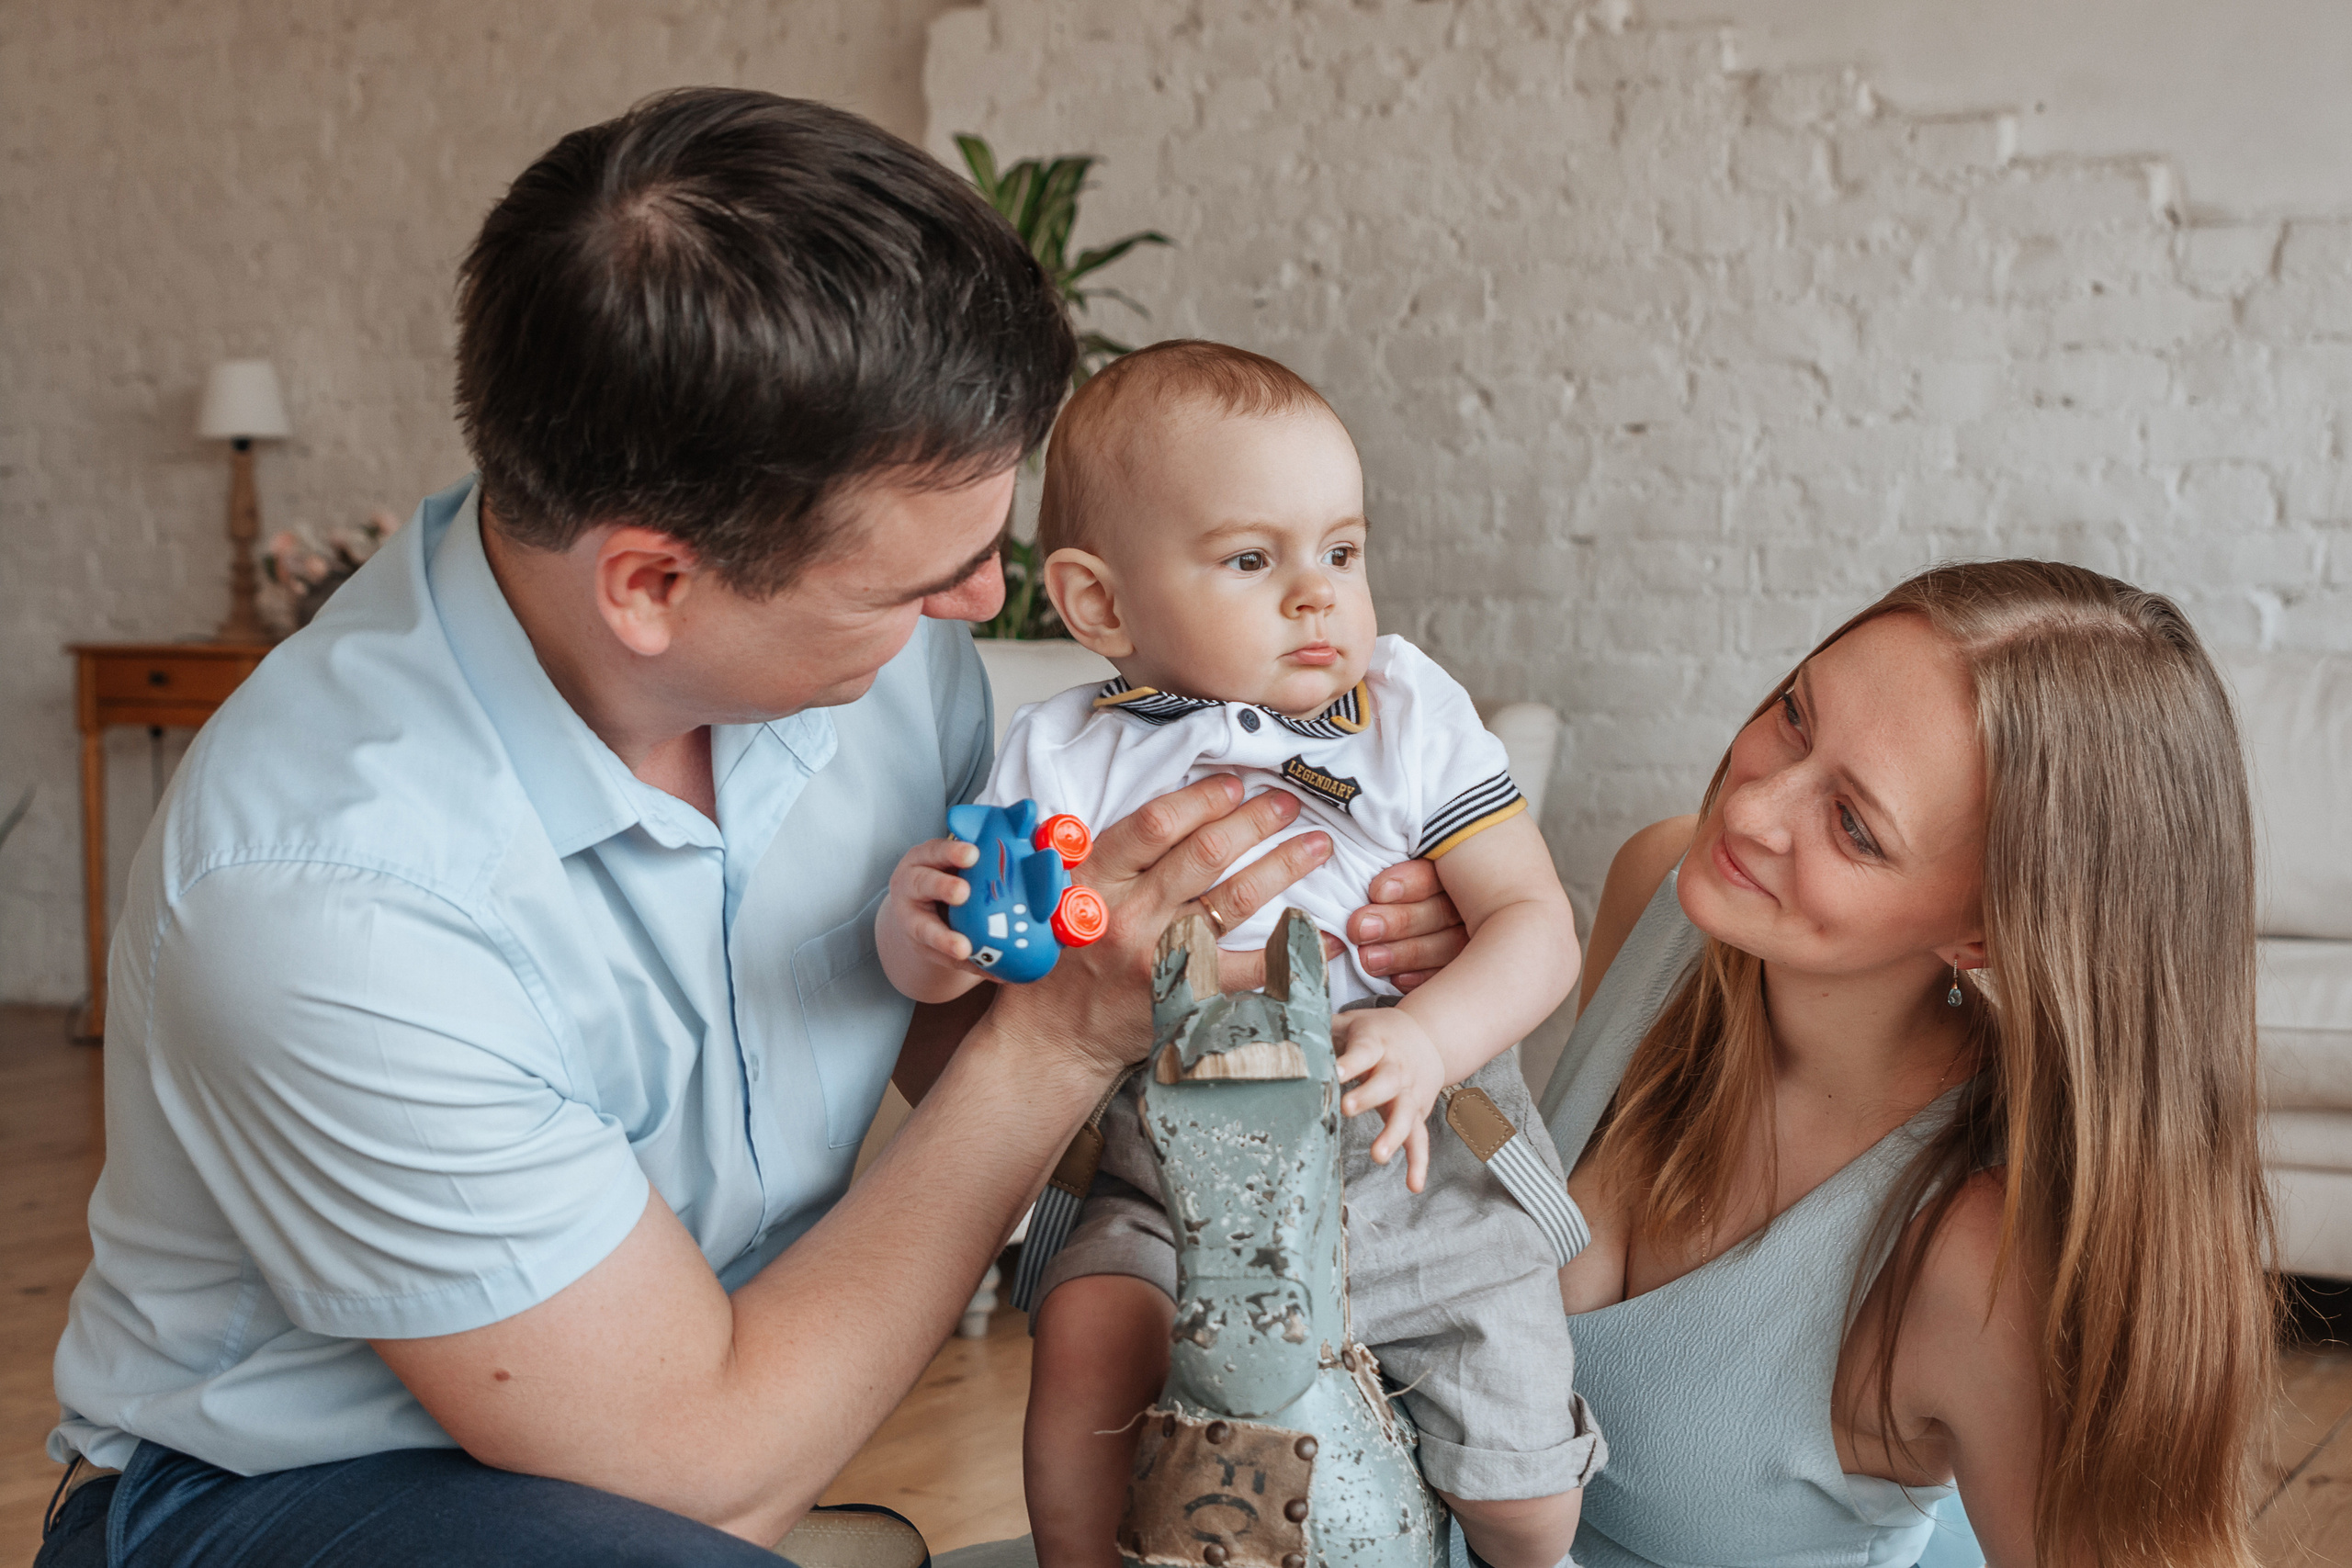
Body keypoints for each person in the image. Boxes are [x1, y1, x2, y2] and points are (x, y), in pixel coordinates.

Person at [37, 92, 1473, 1568]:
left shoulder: (885, 668)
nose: (983, 608)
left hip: (692, 1433)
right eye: (920, 581)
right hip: (284, 1489)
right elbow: (689, 1470)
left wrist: (1304, 957)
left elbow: (964, 1036)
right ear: (651, 585)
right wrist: (1057, 1041)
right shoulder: (331, 895)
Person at [876, 342, 1598, 1568]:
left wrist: (1429, 1034)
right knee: (1093, 1326)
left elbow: (1538, 926)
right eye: (1255, 559)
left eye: (1344, 550)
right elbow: (978, 965)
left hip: (1408, 1155)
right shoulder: (1061, 759)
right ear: (1100, 605)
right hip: (1165, 1166)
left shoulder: (1408, 715)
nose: (1318, 593)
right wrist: (924, 936)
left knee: (1524, 1489)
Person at [1547, 561, 2274, 1567]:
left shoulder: (1978, 1257)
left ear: (1980, 932)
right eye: (1797, 715)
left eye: (1853, 825)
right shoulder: (1661, 892)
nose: (1753, 809)